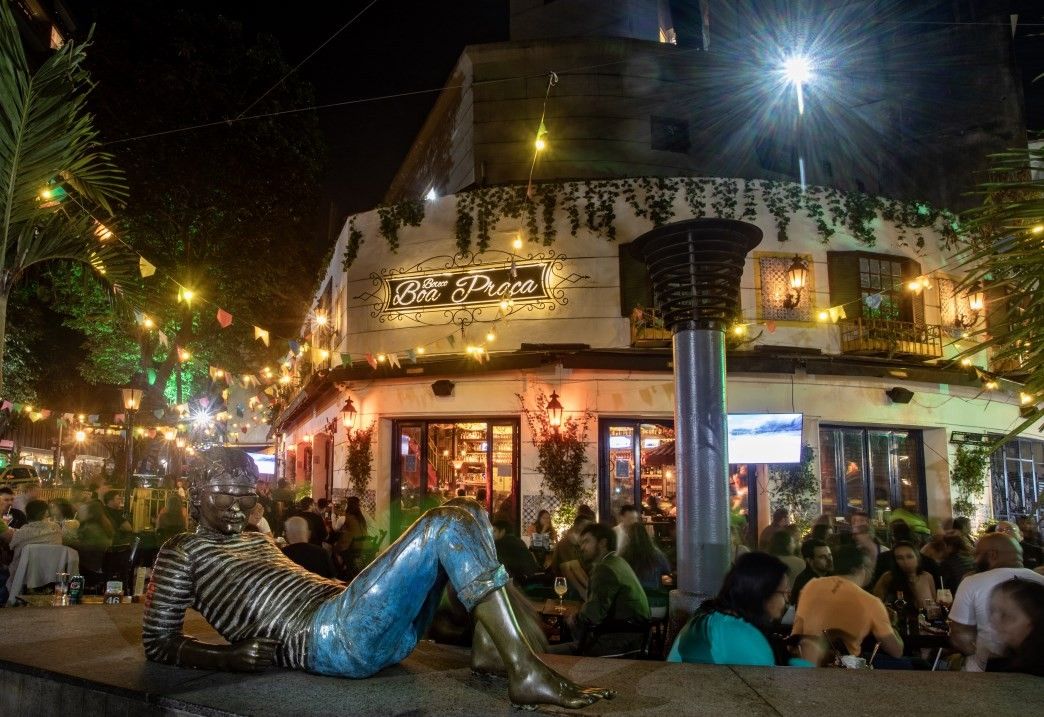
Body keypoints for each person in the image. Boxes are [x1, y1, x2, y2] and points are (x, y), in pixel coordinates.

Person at [142, 448, 611, 709]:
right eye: (227, 496)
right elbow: (158, 642)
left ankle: (491, 652)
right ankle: (523, 669)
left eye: (247, 495)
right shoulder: (182, 552)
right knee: (446, 522)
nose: (241, 506)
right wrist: (228, 658)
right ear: (197, 493)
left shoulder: (255, 537)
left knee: (469, 510)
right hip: (325, 636)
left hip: (356, 620)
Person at [669, 552, 819, 666]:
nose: (787, 601)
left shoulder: (709, 617)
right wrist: (808, 660)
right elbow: (773, 693)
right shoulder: (740, 635)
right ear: (762, 594)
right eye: (784, 593)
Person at [948, 533, 1044, 671]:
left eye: (976, 554)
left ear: (992, 555)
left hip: (983, 674)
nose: (974, 560)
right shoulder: (1040, 579)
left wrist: (980, 656)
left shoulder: (972, 582)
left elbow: (959, 634)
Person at [791, 544, 904, 661]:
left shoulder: (811, 586)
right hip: (848, 667)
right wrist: (892, 623)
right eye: (870, 568)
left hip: (807, 663)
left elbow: (797, 633)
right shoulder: (871, 602)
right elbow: (896, 651)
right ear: (861, 569)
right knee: (918, 664)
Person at [565, 522, 650, 657]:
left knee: (545, 654)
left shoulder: (604, 569)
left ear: (602, 543)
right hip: (637, 638)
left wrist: (574, 619)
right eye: (581, 543)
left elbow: (592, 616)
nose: (582, 548)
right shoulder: (617, 562)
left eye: (586, 542)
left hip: (619, 641)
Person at [985, 579, 1044, 677]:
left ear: (1034, 621)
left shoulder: (1032, 671)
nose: (993, 621)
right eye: (992, 611)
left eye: (1006, 616)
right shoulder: (1010, 657)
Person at [872, 541, 935, 607]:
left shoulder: (927, 576)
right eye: (899, 558)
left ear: (917, 558)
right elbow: (875, 603)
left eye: (909, 557)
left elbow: (934, 605)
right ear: (895, 561)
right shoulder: (888, 577)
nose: (905, 562)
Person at [549, 514, 592, 599]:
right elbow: (571, 571)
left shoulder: (579, 542)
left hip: (576, 583)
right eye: (588, 527)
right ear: (580, 527)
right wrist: (587, 590)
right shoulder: (565, 543)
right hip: (565, 585)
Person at [618, 522, 670, 591]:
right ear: (646, 534)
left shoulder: (624, 554)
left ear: (628, 537)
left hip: (633, 595)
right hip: (654, 594)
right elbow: (667, 569)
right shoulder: (656, 553)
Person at [493, 519, 540, 583]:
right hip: (531, 578)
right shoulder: (519, 541)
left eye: (494, 531)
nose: (492, 534)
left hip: (517, 582)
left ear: (503, 531)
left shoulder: (499, 544)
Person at [791, 539, 833, 608]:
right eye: (822, 557)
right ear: (809, 560)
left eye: (830, 555)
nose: (829, 560)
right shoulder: (804, 581)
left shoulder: (834, 575)